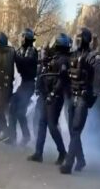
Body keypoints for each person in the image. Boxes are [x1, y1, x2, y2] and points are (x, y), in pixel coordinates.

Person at [60, 28, 99, 174]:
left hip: (82, 97)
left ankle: (68, 164)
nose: (77, 40)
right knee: (72, 131)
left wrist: (92, 96)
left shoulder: (91, 57)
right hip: (71, 96)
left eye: (80, 38)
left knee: (76, 130)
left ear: (85, 39)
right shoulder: (73, 55)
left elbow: (99, 78)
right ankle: (81, 159)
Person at [27, 33, 70, 164]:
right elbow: (44, 74)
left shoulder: (63, 60)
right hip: (47, 94)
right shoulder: (54, 58)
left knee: (51, 125)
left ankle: (63, 152)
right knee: (42, 122)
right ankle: (38, 153)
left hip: (55, 96)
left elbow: (62, 79)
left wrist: (53, 93)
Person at [6, 28, 38, 146]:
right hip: (22, 84)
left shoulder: (32, 51)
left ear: (27, 39)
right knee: (12, 109)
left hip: (29, 84)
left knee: (20, 112)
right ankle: (12, 137)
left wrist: (16, 57)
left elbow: (26, 62)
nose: (21, 39)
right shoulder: (20, 50)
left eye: (23, 37)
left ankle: (26, 136)